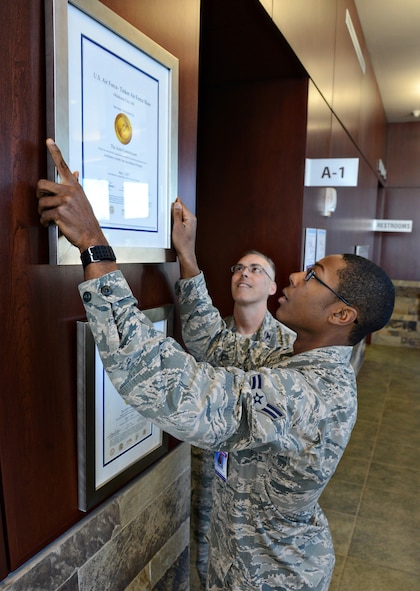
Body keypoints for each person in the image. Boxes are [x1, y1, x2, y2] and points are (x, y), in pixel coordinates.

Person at [37, 139, 395, 591]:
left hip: (274, 579)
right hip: (237, 564)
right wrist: (186, 256)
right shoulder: (292, 360)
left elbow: (172, 385)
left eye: (313, 275)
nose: (294, 276)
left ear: (342, 315)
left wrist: (93, 244)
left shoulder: (309, 395)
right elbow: (214, 345)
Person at [183, 247, 296, 588]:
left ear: (274, 287)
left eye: (256, 269)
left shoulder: (288, 347)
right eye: (238, 268)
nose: (244, 274)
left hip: (258, 483)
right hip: (208, 469)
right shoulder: (209, 336)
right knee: (204, 547)